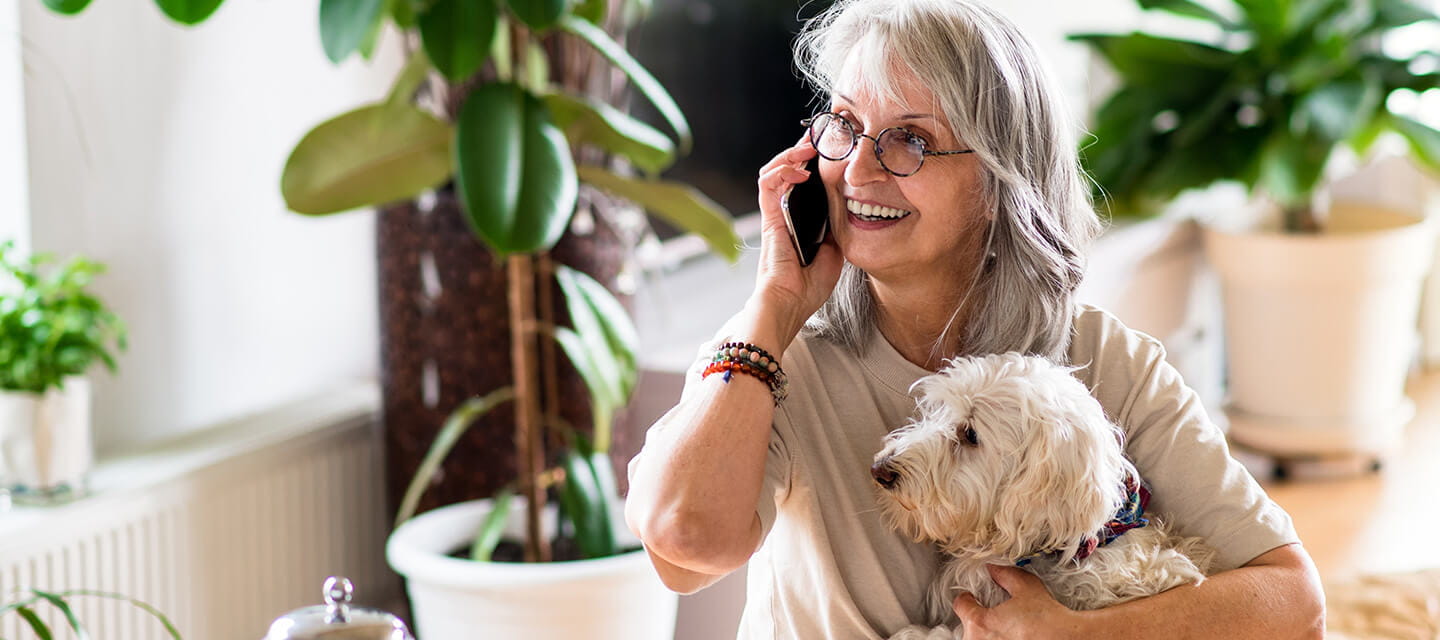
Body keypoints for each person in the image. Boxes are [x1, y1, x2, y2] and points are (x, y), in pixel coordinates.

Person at [623, 0, 1326, 637]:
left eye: (909, 140)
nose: (859, 171)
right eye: (844, 126)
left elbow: (1293, 600)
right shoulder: (767, 356)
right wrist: (774, 305)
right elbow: (685, 552)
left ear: (999, 182)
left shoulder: (1105, 357)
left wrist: (1079, 636)